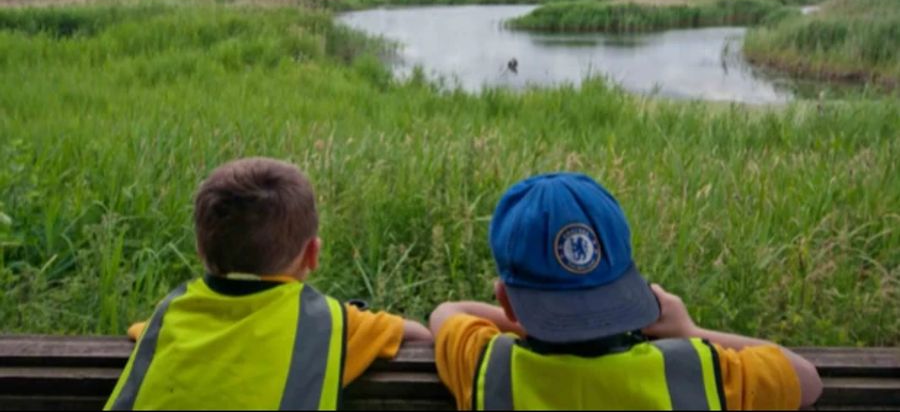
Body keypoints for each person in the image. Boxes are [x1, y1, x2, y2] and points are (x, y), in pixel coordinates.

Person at [430, 172, 823, 410]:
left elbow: (446, 313)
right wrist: (689, 331)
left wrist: (526, 319)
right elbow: (806, 379)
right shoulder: (698, 371)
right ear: (630, 289)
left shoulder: (486, 365)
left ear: (505, 301)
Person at [105, 157, 431, 410]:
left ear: (201, 250)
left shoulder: (170, 316)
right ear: (312, 255)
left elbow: (141, 331)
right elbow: (420, 335)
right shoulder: (330, 326)